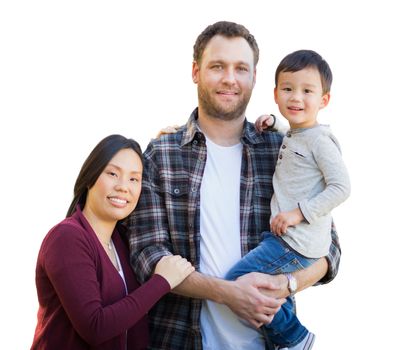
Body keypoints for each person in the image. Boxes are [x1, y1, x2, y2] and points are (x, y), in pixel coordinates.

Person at [126, 21, 341, 350]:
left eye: (241, 68)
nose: (230, 78)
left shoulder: (281, 149)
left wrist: (287, 283)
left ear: (255, 77)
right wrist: (229, 292)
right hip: (178, 340)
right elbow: (147, 255)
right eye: (217, 66)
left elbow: (328, 248)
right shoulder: (162, 155)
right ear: (196, 71)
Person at [225, 49, 351, 349]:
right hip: (286, 237)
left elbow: (341, 187)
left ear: (324, 100)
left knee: (237, 280)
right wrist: (275, 124)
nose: (296, 97)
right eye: (288, 89)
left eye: (307, 91)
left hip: (295, 241)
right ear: (275, 94)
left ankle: (294, 336)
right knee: (273, 290)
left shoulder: (321, 140)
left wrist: (298, 213)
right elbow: (297, 144)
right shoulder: (296, 134)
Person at [31, 134, 194, 350]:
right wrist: (162, 281)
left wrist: (174, 137)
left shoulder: (122, 241)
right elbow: (95, 327)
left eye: (134, 179)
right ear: (90, 177)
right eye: (113, 174)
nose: (123, 187)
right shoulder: (67, 238)